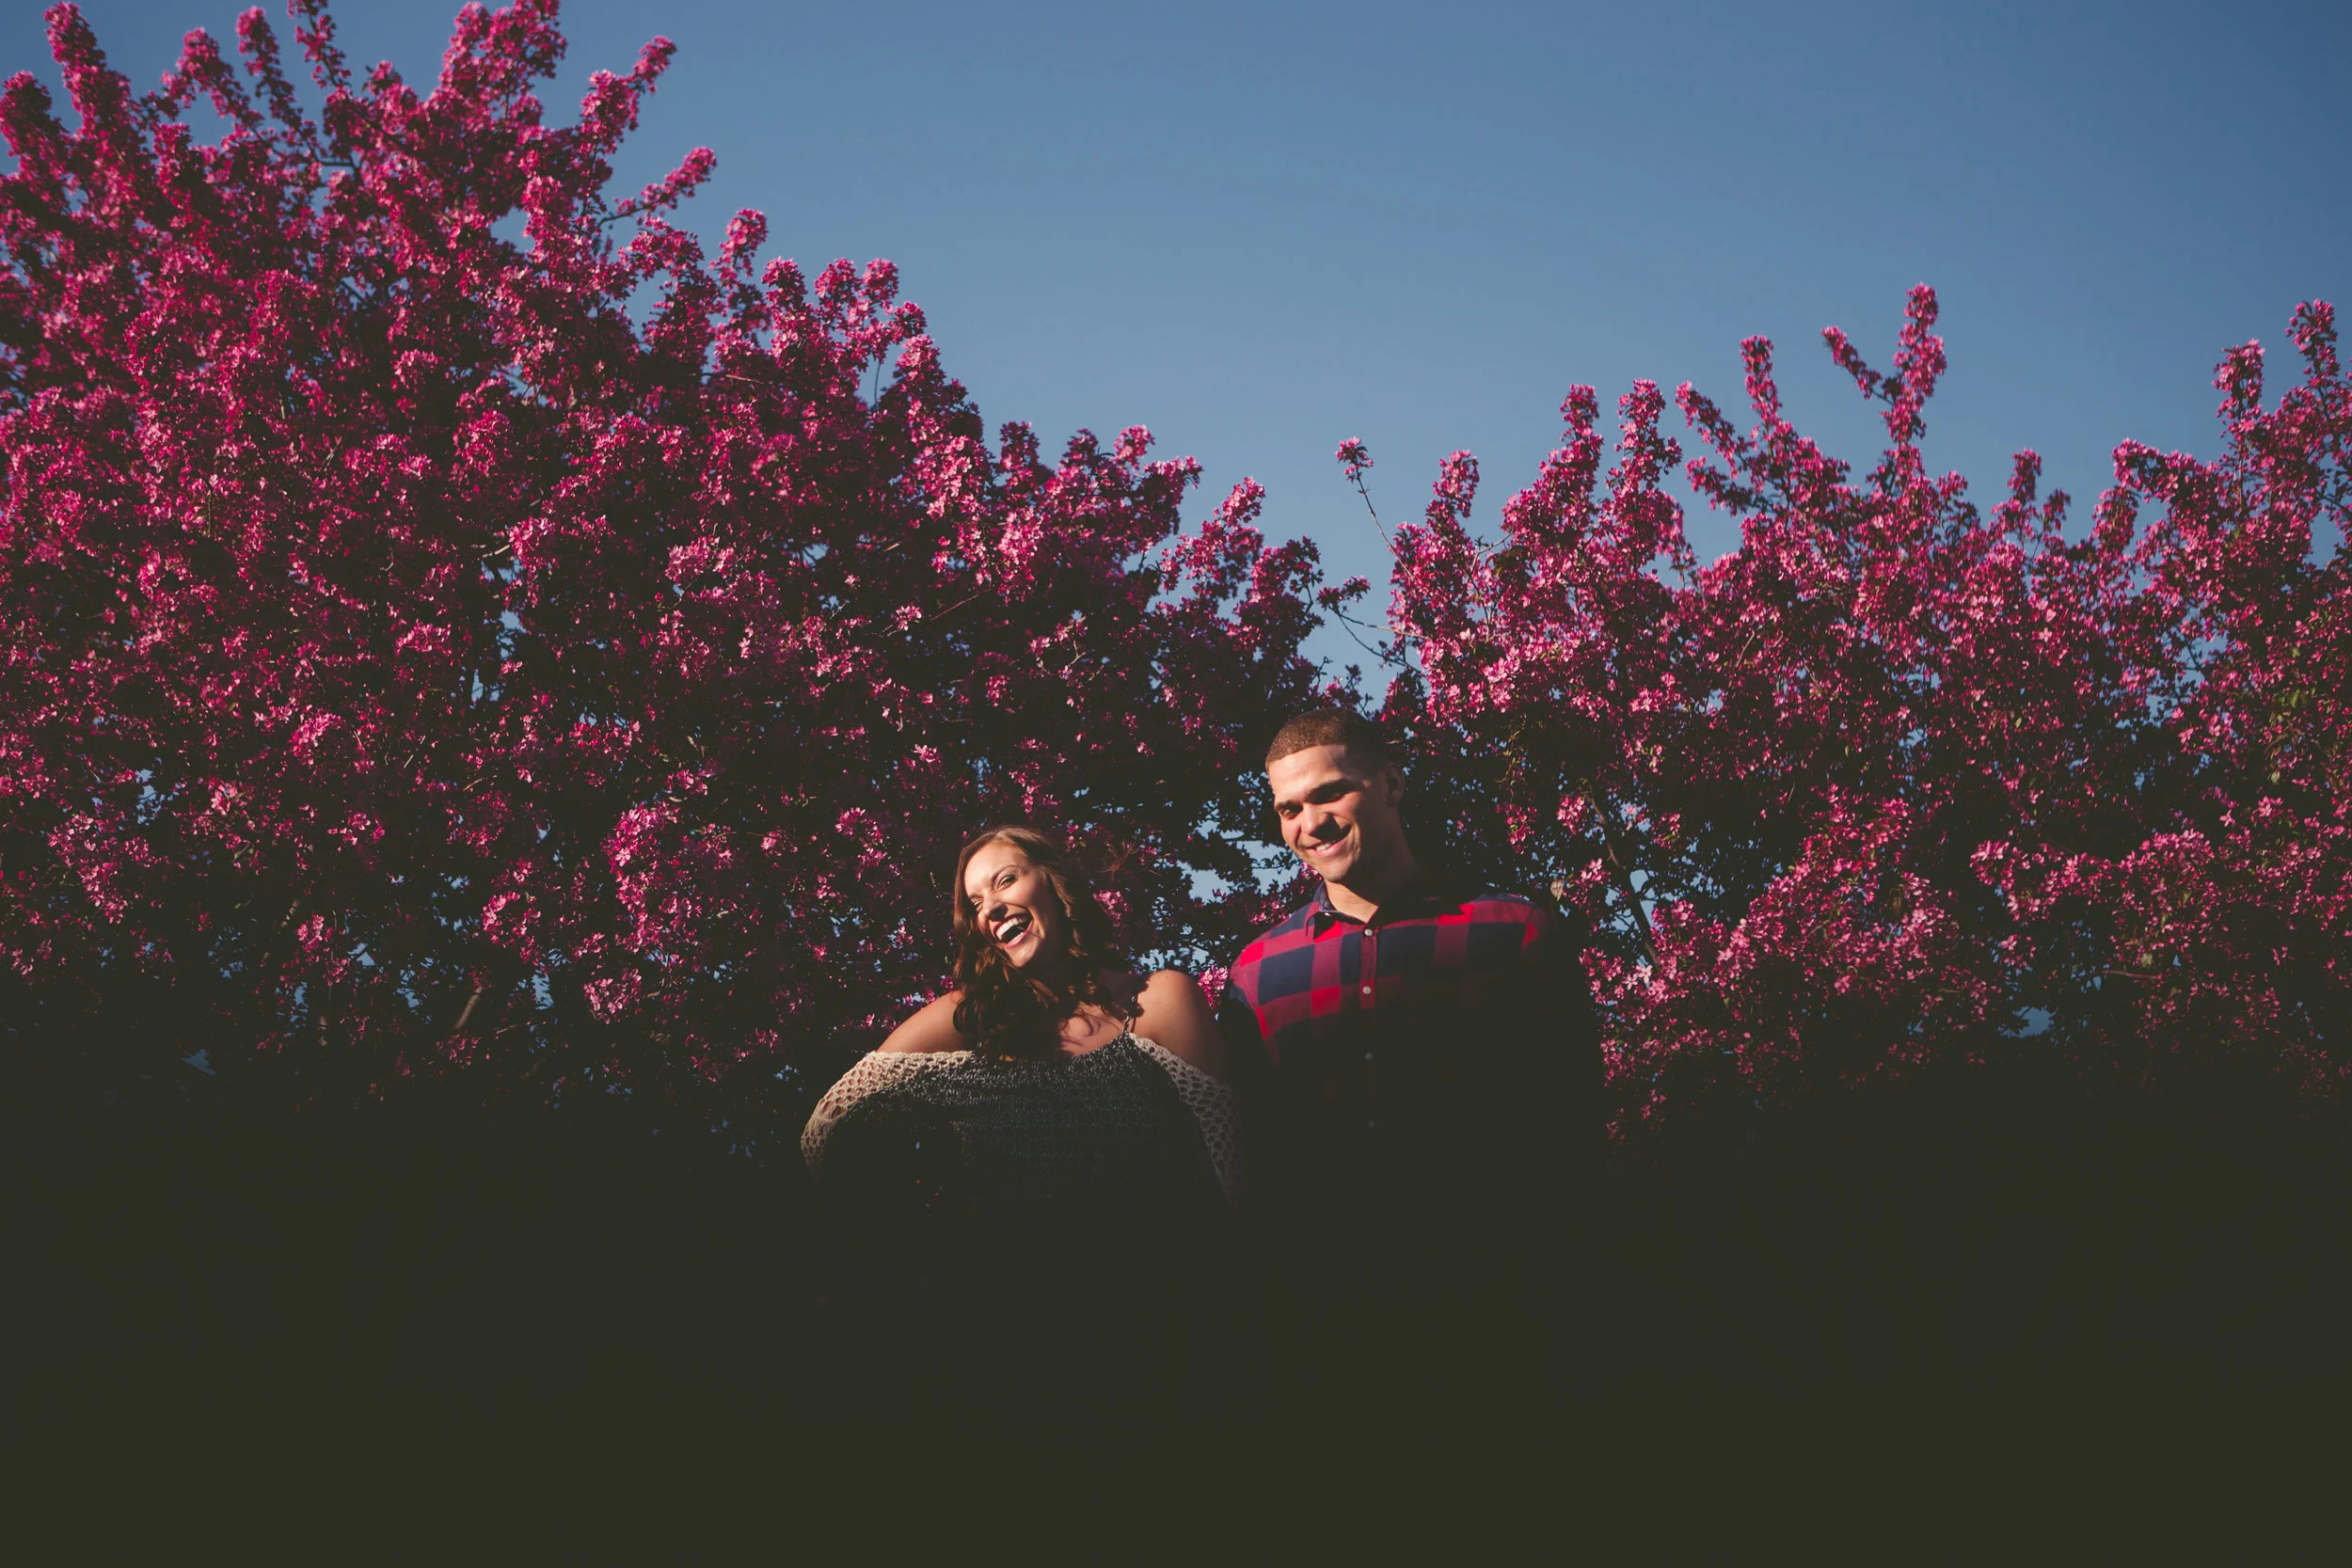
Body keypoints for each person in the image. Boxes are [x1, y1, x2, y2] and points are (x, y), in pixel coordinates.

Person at [1216, 707, 1604, 1404]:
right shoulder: (1254, 976)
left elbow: (1572, 1139)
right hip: (1327, 1344)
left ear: (1392, 783)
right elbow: (1256, 1166)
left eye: (1331, 793)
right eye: (1289, 807)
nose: (1312, 823)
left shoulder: (1514, 935)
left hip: (1504, 1325)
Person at [799, 825, 1240, 1416]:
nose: (991, 909)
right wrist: (915, 1233)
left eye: (1005, 880)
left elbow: (1230, 1166)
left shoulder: (1156, 1001)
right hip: (995, 1348)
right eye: (975, 903)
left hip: (1155, 1331)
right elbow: (826, 1128)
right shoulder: (968, 1019)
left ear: (1055, 886)